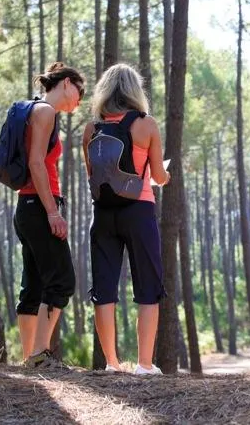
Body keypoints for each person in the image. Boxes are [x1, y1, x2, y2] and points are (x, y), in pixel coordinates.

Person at [83, 63, 170, 375]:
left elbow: (92, 175)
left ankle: (112, 363)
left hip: (103, 214)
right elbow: (159, 175)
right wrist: (165, 174)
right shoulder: (146, 125)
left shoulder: (92, 129)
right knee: (148, 287)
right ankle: (145, 364)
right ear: (135, 90)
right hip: (139, 211)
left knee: (103, 289)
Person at [14, 62, 85, 368]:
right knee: (62, 281)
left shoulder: (36, 111)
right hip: (40, 207)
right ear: (67, 83)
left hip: (28, 207)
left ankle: (29, 358)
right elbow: (35, 163)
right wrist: (53, 212)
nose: (78, 103)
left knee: (33, 286)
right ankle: (40, 355)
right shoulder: (44, 112)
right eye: (78, 94)